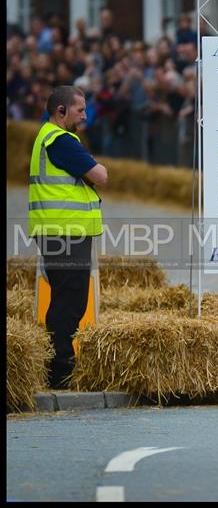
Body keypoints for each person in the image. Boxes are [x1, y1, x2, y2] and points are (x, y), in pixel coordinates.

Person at [29, 86, 108, 389]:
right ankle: (61, 370)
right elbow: (100, 175)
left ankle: (59, 365)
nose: (85, 116)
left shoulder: (48, 137)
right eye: (80, 110)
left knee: (68, 298)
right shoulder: (60, 140)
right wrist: (95, 164)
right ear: (61, 111)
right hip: (65, 230)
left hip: (60, 230)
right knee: (69, 301)